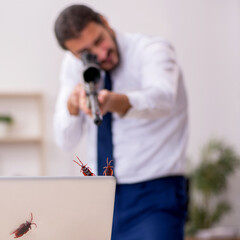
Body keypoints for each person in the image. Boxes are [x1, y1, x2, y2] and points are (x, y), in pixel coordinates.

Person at [53, 4, 188, 240]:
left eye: (99, 40)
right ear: (72, 54)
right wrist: (72, 106)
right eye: (85, 52)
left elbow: (164, 99)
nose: (101, 54)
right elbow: (65, 141)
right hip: (99, 195)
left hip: (154, 192)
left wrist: (115, 102)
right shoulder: (73, 65)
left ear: (105, 21)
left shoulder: (152, 49)